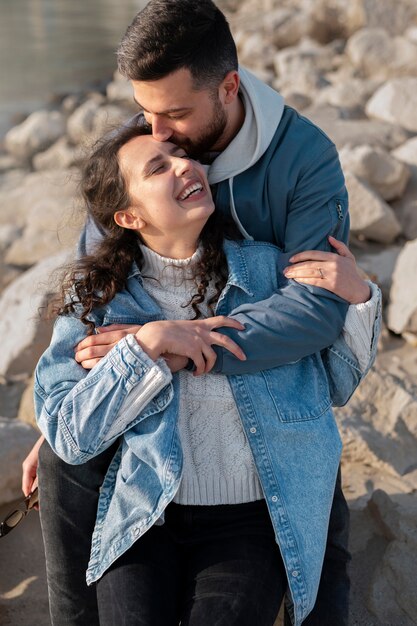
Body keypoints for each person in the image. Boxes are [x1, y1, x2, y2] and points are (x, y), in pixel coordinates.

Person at [23, 0, 374, 623]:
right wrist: (67, 407)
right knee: (58, 452)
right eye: (146, 113)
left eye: (174, 115)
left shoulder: (304, 160)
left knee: (321, 562)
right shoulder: (146, 140)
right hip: (156, 462)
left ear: (229, 88)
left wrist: (176, 347)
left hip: (261, 424)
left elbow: (318, 317)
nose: (159, 134)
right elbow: (93, 289)